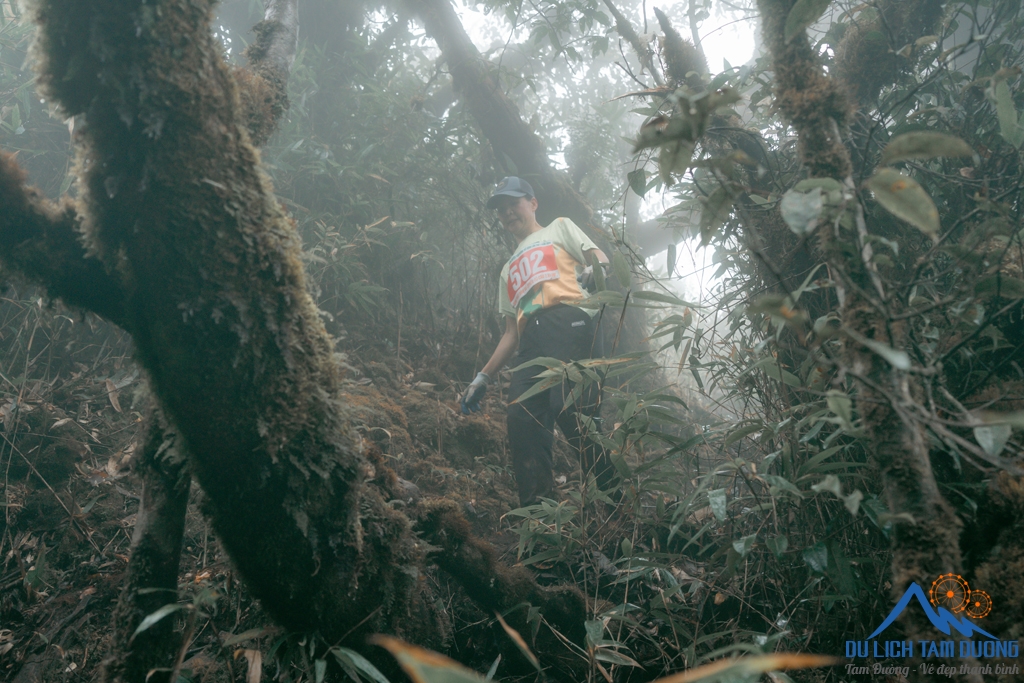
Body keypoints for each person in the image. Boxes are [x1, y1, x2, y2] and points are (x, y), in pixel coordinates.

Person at [461, 176, 617, 506]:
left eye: (513, 203)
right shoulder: (507, 269)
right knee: (522, 421)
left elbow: (599, 257)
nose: (507, 212)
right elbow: (510, 333)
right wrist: (483, 376)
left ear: (532, 203)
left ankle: (619, 502)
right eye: (500, 208)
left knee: (575, 415)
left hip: (570, 321)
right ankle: (540, 521)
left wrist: (595, 271)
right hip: (531, 340)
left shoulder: (559, 228)